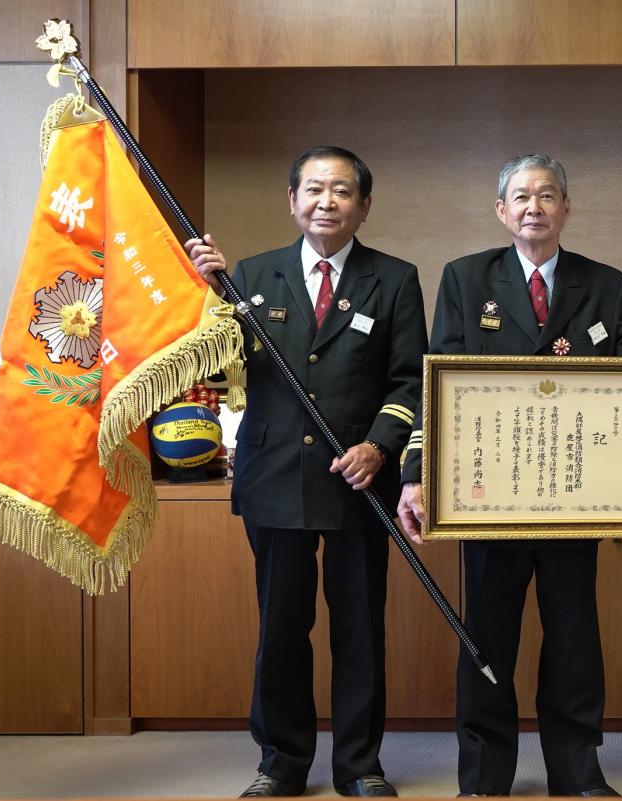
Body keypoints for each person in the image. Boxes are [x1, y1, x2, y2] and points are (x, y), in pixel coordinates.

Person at [395, 153, 622, 797]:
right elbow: (435, 381)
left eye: (547, 195)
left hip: (577, 496)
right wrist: (415, 474)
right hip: (485, 498)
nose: (534, 207)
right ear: (502, 211)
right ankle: (484, 777)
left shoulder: (605, 285)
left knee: (575, 637)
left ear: (566, 208)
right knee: (486, 639)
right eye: (521, 197)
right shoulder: (466, 280)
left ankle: (577, 771)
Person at [186, 145, 427, 798]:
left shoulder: (395, 278)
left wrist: (380, 445)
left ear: (364, 205)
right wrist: (204, 289)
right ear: (292, 200)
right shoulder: (249, 275)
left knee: (359, 628)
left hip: (358, 482)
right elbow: (216, 365)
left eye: (342, 190)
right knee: (282, 629)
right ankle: (281, 762)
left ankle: (360, 764)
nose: (327, 201)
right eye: (314, 189)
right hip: (275, 476)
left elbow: (412, 380)